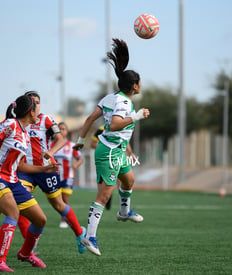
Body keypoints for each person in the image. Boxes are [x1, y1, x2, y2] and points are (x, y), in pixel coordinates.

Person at [73, 38, 150, 256]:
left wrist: (80, 142)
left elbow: (90, 119)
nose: (141, 84)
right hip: (109, 152)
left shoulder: (111, 97)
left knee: (129, 180)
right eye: (140, 82)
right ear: (134, 86)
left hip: (115, 149)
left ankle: (124, 212)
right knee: (104, 196)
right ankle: (89, 237)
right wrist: (137, 116)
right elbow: (115, 125)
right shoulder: (125, 103)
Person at [0, 95, 59, 272]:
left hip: (13, 181)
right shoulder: (9, 124)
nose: (39, 110)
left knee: (40, 220)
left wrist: (45, 169)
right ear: (30, 112)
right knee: (13, 212)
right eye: (36, 107)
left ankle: (25, 253)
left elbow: (21, 165)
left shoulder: (24, 134)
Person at [16, 91, 86, 253]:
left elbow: (60, 139)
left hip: (47, 169)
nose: (35, 105)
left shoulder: (45, 119)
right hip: (25, 171)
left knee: (59, 205)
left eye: (38, 102)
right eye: (32, 102)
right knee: (21, 206)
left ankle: (79, 233)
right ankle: (29, 249)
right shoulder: (18, 122)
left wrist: (51, 152)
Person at [52, 122, 84, 228]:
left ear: (67, 132)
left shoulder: (71, 146)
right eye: (59, 129)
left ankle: (64, 220)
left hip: (67, 176)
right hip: (54, 176)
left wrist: (75, 165)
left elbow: (80, 159)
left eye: (63, 129)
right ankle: (65, 218)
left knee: (65, 199)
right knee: (57, 200)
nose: (61, 131)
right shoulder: (51, 145)